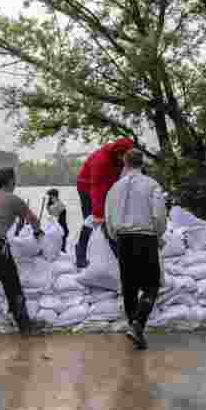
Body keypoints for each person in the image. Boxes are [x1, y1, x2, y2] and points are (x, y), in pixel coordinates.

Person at [0, 168, 47, 336]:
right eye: (15, 179)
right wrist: (38, 233)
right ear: (11, 181)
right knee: (12, 284)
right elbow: (32, 219)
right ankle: (25, 327)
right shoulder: (13, 200)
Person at [104, 149, 167, 350]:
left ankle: (134, 328)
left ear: (125, 163)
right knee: (151, 285)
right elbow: (158, 215)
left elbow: (108, 216)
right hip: (146, 237)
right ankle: (138, 324)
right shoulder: (152, 185)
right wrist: (159, 234)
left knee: (129, 287)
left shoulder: (115, 188)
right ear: (143, 163)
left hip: (123, 239)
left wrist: (116, 235)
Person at [74, 138, 136, 268]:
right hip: (87, 187)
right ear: (119, 153)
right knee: (90, 220)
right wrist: (98, 214)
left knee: (112, 220)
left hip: (106, 186)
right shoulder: (101, 161)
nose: (127, 161)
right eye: (125, 157)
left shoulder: (121, 158)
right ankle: (80, 255)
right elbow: (96, 190)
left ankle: (118, 255)